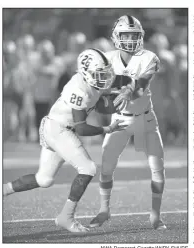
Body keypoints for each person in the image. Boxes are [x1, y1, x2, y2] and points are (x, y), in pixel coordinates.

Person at [3, 48, 124, 233]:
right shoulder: (79, 89)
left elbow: (99, 100)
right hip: (58, 130)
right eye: (101, 74)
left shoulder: (91, 82)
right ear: (86, 73)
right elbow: (81, 127)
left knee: (43, 179)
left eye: (106, 73)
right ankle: (65, 217)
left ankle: (3, 190)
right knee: (88, 168)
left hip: (55, 127)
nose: (105, 78)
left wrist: (119, 98)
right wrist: (106, 129)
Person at [89, 15, 167, 230]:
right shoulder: (106, 59)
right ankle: (104, 211)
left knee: (157, 167)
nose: (131, 39)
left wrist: (127, 89)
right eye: (126, 35)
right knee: (106, 167)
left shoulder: (150, 57)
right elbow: (94, 87)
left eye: (134, 35)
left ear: (140, 36)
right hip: (120, 120)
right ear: (116, 36)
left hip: (146, 118)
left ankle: (155, 215)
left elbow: (141, 86)